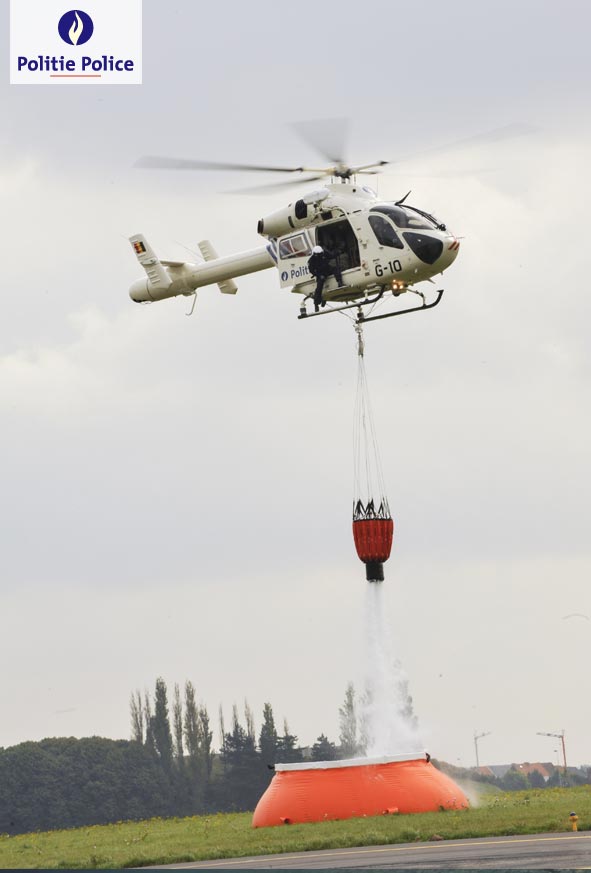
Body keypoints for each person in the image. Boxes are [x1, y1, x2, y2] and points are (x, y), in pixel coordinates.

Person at [308, 245, 344, 311]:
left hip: (327, 269)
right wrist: (318, 275)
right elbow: (311, 270)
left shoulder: (324, 253)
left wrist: (338, 252)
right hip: (320, 273)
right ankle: (316, 303)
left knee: (336, 269)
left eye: (320, 254)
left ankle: (339, 282)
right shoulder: (311, 260)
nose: (319, 255)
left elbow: (331, 255)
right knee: (319, 286)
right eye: (318, 254)